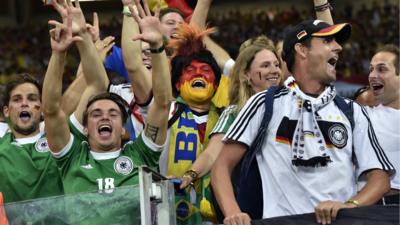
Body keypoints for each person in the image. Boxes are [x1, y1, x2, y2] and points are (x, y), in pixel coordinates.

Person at [211, 19, 394, 225]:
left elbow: (380, 178)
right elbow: (221, 166)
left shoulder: (352, 111)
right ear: (301, 50)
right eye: (327, 42)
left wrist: (350, 205)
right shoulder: (264, 103)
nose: (339, 47)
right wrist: (233, 213)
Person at [43, 0, 171, 194]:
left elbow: (162, 103)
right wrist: (59, 54)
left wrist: (158, 47)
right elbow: (51, 111)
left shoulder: (141, 155)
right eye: (96, 114)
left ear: (123, 129)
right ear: (84, 129)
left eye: (113, 114)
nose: (104, 117)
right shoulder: (71, 157)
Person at [179, 36, 282, 190]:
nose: (274, 70)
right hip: (251, 197)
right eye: (266, 65)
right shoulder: (235, 113)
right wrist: (191, 174)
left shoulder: (292, 105)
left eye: (276, 64)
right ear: (246, 75)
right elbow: (212, 153)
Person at [0, 74, 64, 203]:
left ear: (41, 108)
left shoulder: (60, 139)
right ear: (6, 111)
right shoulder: (2, 142)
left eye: (32, 98)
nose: (24, 104)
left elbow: (94, 85)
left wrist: (59, 56)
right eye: (17, 99)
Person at [366, 44, 399, 205]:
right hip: (361, 206)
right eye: (371, 69)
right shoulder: (362, 114)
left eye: (381, 69)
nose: (372, 75)